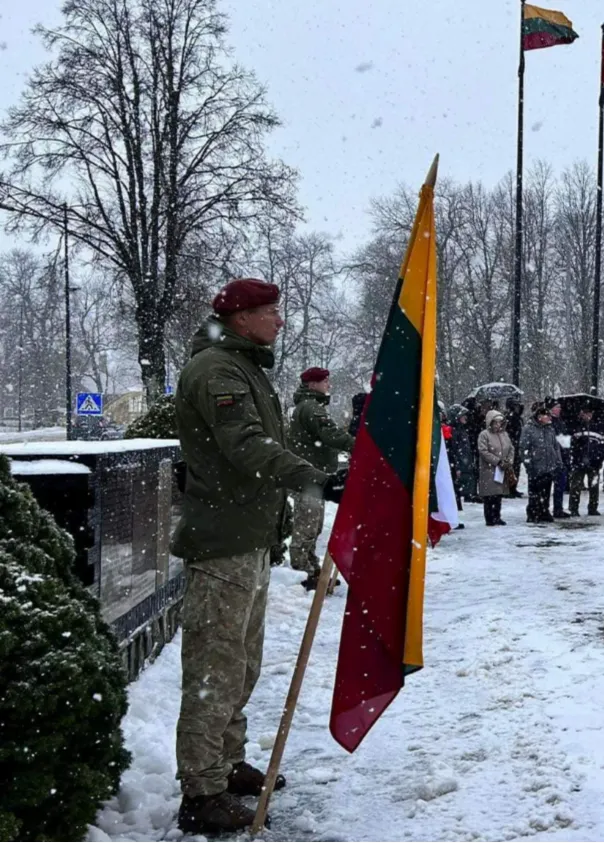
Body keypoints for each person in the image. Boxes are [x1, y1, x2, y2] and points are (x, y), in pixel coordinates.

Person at [171, 278, 340, 834]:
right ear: (241, 318)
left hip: (245, 538)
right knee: (214, 668)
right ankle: (201, 790)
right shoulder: (219, 370)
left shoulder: (245, 367)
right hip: (223, 543)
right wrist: (317, 481)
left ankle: (225, 761)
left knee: (240, 662)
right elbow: (246, 447)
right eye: (271, 312)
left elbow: (267, 446)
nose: (280, 320)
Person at [287, 366, 355, 591]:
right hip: (309, 477)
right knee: (307, 525)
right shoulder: (311, 408)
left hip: (311, 475)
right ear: (312, 384)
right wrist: (358, 445)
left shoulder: (308, 406)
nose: (329, 385)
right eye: (325, 381)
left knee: (312, 525)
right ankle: (302, 572)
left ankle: (310, 568)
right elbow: (330, 434)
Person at [520, 403, 562, 523]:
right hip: (535, 466)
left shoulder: (550, 429)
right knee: (534, 491)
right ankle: (533, 512)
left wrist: (558, 461)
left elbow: (555, 446)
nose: (549, 418)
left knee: (546, 491)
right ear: (539, 416)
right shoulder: (528, 429)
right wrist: (528, 464)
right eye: (546, 415)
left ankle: (544, 511)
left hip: (549, 466)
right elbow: (524, 448)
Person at [476, 409, 514, 526]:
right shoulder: (484, 435)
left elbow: (511, 448)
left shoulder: (504, 434)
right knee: (489, 495)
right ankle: (490, 518)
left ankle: (497, 516)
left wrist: (508, 461)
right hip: (489, 469)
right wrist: (497, 461)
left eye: (500, 422)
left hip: (502, 468)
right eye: (496, 422)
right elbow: (483, 451)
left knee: (498, 494)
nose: (498, 424)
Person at [568, 405, 604, 517]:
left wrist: (599, 457)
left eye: (590, 413)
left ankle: (593, 507)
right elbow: (571, 444)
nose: (588, 415)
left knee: (594, 486)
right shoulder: (575, 426)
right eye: (586, 413)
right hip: (579, 462)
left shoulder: (598, 426)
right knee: (576, 486)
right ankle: (573, 508)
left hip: (594, 462)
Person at [548, 399, 573, 519]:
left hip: (562, 456)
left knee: (560, 485)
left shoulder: (560, 421)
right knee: (551, 485)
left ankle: (558, 508)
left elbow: (564, 437)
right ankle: (549, 508)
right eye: (557, 407)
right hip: (554, 457)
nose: (559, 409)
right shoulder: (550, 423)